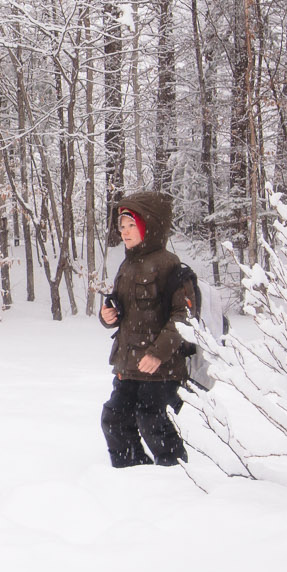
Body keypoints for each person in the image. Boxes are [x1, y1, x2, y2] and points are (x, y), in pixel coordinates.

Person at [96, 190, 194, 469]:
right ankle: (132, 475)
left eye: (131, 226)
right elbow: (124, 312)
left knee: (150, 418)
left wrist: (158, 353)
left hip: (160, 367)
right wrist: (108, 316)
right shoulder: (127, 264)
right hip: (129, 364)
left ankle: (176, 474)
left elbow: (184, 315)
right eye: (122, 226)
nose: (125, 232)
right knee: (114, 418)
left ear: (148, 227)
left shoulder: (168, 264)